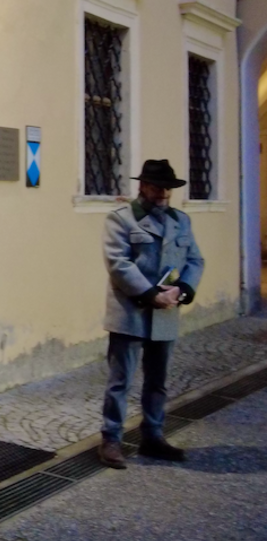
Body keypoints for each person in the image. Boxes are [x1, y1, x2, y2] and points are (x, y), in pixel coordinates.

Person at [98, 159, 205, 469]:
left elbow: (195, 260)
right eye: (158, 187)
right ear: (143, 186)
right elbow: (118, 263)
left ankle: (153, 437)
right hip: (130, 311)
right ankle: (111, 440)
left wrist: (181, 290)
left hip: (166, 313)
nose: (164, 194)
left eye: (168, 189)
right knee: (121, 381)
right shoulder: (121, 219)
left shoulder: (180, 221)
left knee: (158, 381)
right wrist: (150, 295)